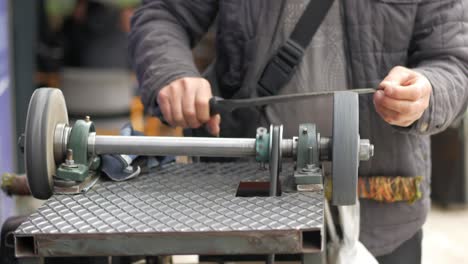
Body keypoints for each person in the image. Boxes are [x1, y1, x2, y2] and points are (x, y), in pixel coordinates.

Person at [129, 0, 468, 263]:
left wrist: (427, 91)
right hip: (244, 211)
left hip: (383, 218)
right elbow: (163, 14)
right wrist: (171, 74)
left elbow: (455, 61)